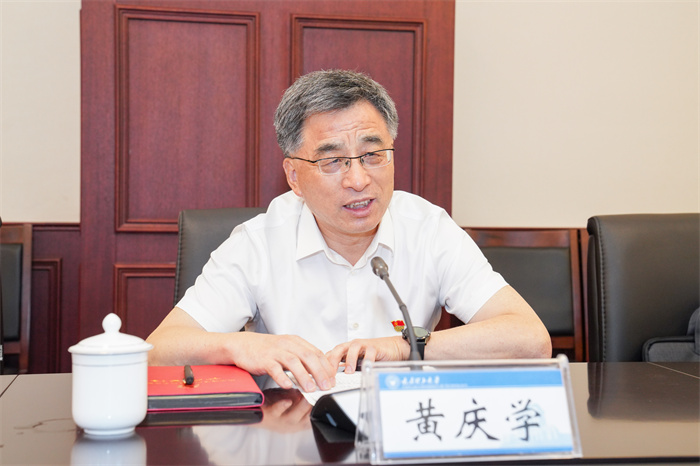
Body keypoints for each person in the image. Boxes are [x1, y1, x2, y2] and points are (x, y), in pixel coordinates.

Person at [146, 69, 551, 394]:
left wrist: (402, 349)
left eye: (373, 155)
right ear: (294, 176)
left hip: (402, 434)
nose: (358, 180)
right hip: (290, 441)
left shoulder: (428, 229)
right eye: (332, 161)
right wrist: (241, 345)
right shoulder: (258, 242)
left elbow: (531, 340)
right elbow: (158, 350)